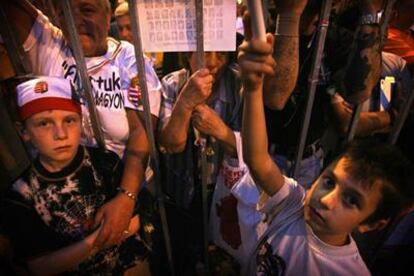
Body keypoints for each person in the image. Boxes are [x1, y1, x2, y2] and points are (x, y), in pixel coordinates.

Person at [237, 31, 414, 275]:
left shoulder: (350, 272)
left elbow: (387, 109)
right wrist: (253, 87)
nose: (326, 200)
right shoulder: (294, 204)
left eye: (351, 200)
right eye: (329, 181)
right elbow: (257, 160)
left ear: (372, 223)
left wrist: (384, 116)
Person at [1, 0, 162, 249]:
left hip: (122, 186)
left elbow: (142, 132)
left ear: (108, 14)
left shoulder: (129, 59)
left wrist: (126, 198)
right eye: (66, 12)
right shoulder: (50, 44)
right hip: (64, 198)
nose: (76, 20)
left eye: (87, 10)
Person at [0, 76, 150, 275]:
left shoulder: (105, 163)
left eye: (69, 120)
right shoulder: (21, 195)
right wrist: (99, 239)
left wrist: (73, 252)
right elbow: (40, 267)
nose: (61, 134)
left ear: (81, 122)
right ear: (24, 131)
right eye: (44, 123)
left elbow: (133, 223)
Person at [261, 0, 383, 188]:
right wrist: (290, 15)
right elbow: (276, 98)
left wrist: (369, 12)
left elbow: (358, 92)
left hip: (308, 158)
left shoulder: (332, 35)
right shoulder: (266, 27)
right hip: (263, 152)